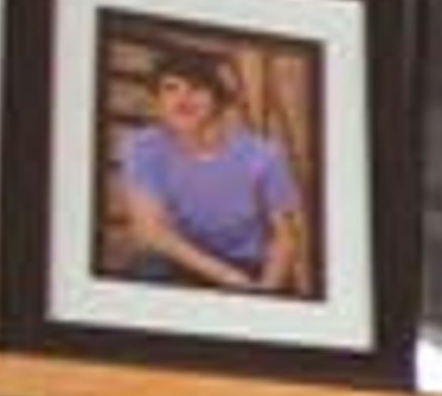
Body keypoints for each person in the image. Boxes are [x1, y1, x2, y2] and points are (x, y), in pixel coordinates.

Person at [115, 46, 308, 294]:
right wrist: (226, 276)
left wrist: (264, 294)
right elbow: (150, 231)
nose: (182, 99)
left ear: (218, 99)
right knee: (147, 266)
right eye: (170, 88)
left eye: (196, 88)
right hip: (186, 259)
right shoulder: (143, 146)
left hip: (251, 264)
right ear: (158, 100)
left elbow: (285, 238)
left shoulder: (263, 154)